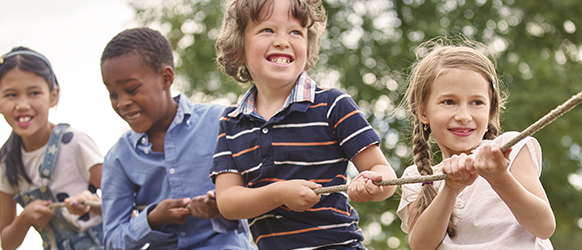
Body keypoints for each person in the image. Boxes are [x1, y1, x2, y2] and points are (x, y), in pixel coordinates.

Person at [209, 0, 398, 249]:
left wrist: (373, 184)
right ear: (238, 48)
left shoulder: (332, 104)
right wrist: (279, 194)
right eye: (267, 30)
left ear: (308, 46)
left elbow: (385, 174)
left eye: (295, 32)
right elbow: (228, 202)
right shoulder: (231, 122)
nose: (282, 41)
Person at [99, 28, 254, 249]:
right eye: (113, 94)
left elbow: (261, 193)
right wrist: (152, 219)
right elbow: (113, 239)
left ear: (166, 78)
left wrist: (223, 206)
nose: (121, 102)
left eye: (131, 89)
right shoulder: (119, 158)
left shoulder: (222, 123)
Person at [396, 41, 556, 250]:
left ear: (491, 110)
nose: (463, 116)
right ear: (423, 111)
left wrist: (500, 178)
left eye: (477, 102)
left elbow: (544, 226)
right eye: (449, 102)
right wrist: (451, 188)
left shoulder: (510, 151)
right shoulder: (417, 177)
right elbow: (421, 246)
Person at [0, 47, 105, 249]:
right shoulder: (6, 164)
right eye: (11, 95)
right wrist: (25, 218)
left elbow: (126, 206)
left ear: (53, 96)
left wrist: (91, 202)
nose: (22, 105)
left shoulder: (74, 142)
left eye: (34, 93)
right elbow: (7, 243)